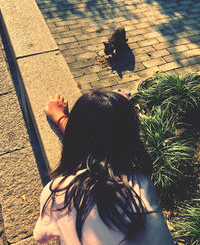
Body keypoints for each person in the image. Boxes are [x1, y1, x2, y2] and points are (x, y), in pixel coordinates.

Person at [33, 90, 174, 245]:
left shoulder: (57, 191)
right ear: (130, 138)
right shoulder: (141, 185)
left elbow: (41, 236)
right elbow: (103, 143)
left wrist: (60, 118)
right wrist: (116, 111)